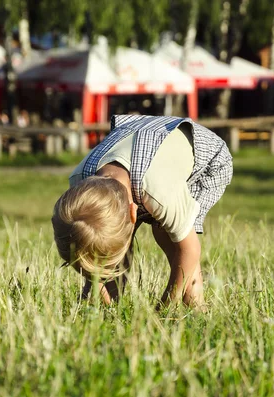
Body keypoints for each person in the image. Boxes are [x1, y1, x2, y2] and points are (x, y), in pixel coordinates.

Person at [51, 115, 233, 310]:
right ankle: (106, 305)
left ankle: (194, 303)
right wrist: (96, 284)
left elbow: (190, 249)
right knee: (109, 239)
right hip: (147, 144)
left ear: (133, 212)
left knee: (168, 235)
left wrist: (166, 306)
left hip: (206, 160)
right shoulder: (80, 185)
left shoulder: (159, 194)